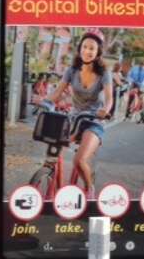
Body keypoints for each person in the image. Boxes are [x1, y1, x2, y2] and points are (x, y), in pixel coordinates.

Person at [41, 31, 113, 191]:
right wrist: (45, 102)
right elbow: (58, 92)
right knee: (54, 147)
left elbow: (109, 98)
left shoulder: (104, 73)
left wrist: (105, 110)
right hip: (74, 119)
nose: (87, 51)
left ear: (98, 52)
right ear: (80, 48)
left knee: (79, 160)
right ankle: (52, 183)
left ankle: (89, 188)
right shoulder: (72, 71)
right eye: (84, 47)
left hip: (94, 120)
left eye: (92, 48)